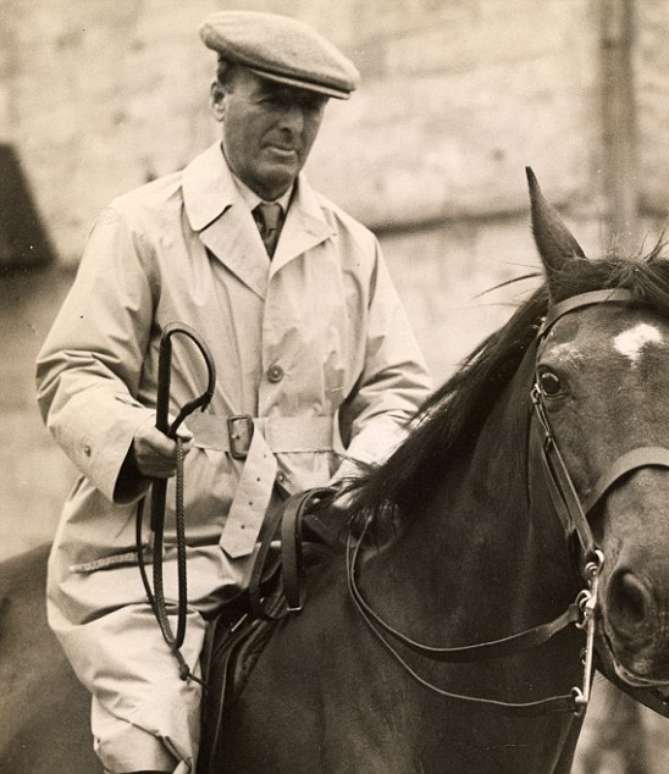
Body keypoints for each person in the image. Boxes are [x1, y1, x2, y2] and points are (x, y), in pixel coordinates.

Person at [36, 10, 432, 774]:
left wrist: (365, 469)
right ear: (220, 97)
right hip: (156, 558)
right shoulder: (143, 227)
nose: (292, 125)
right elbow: (73, 368)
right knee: (148, 750)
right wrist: (125, 438)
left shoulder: (352, 249)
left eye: (309, 108)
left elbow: (397, 388)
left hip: (305, 554)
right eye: (271, 99)